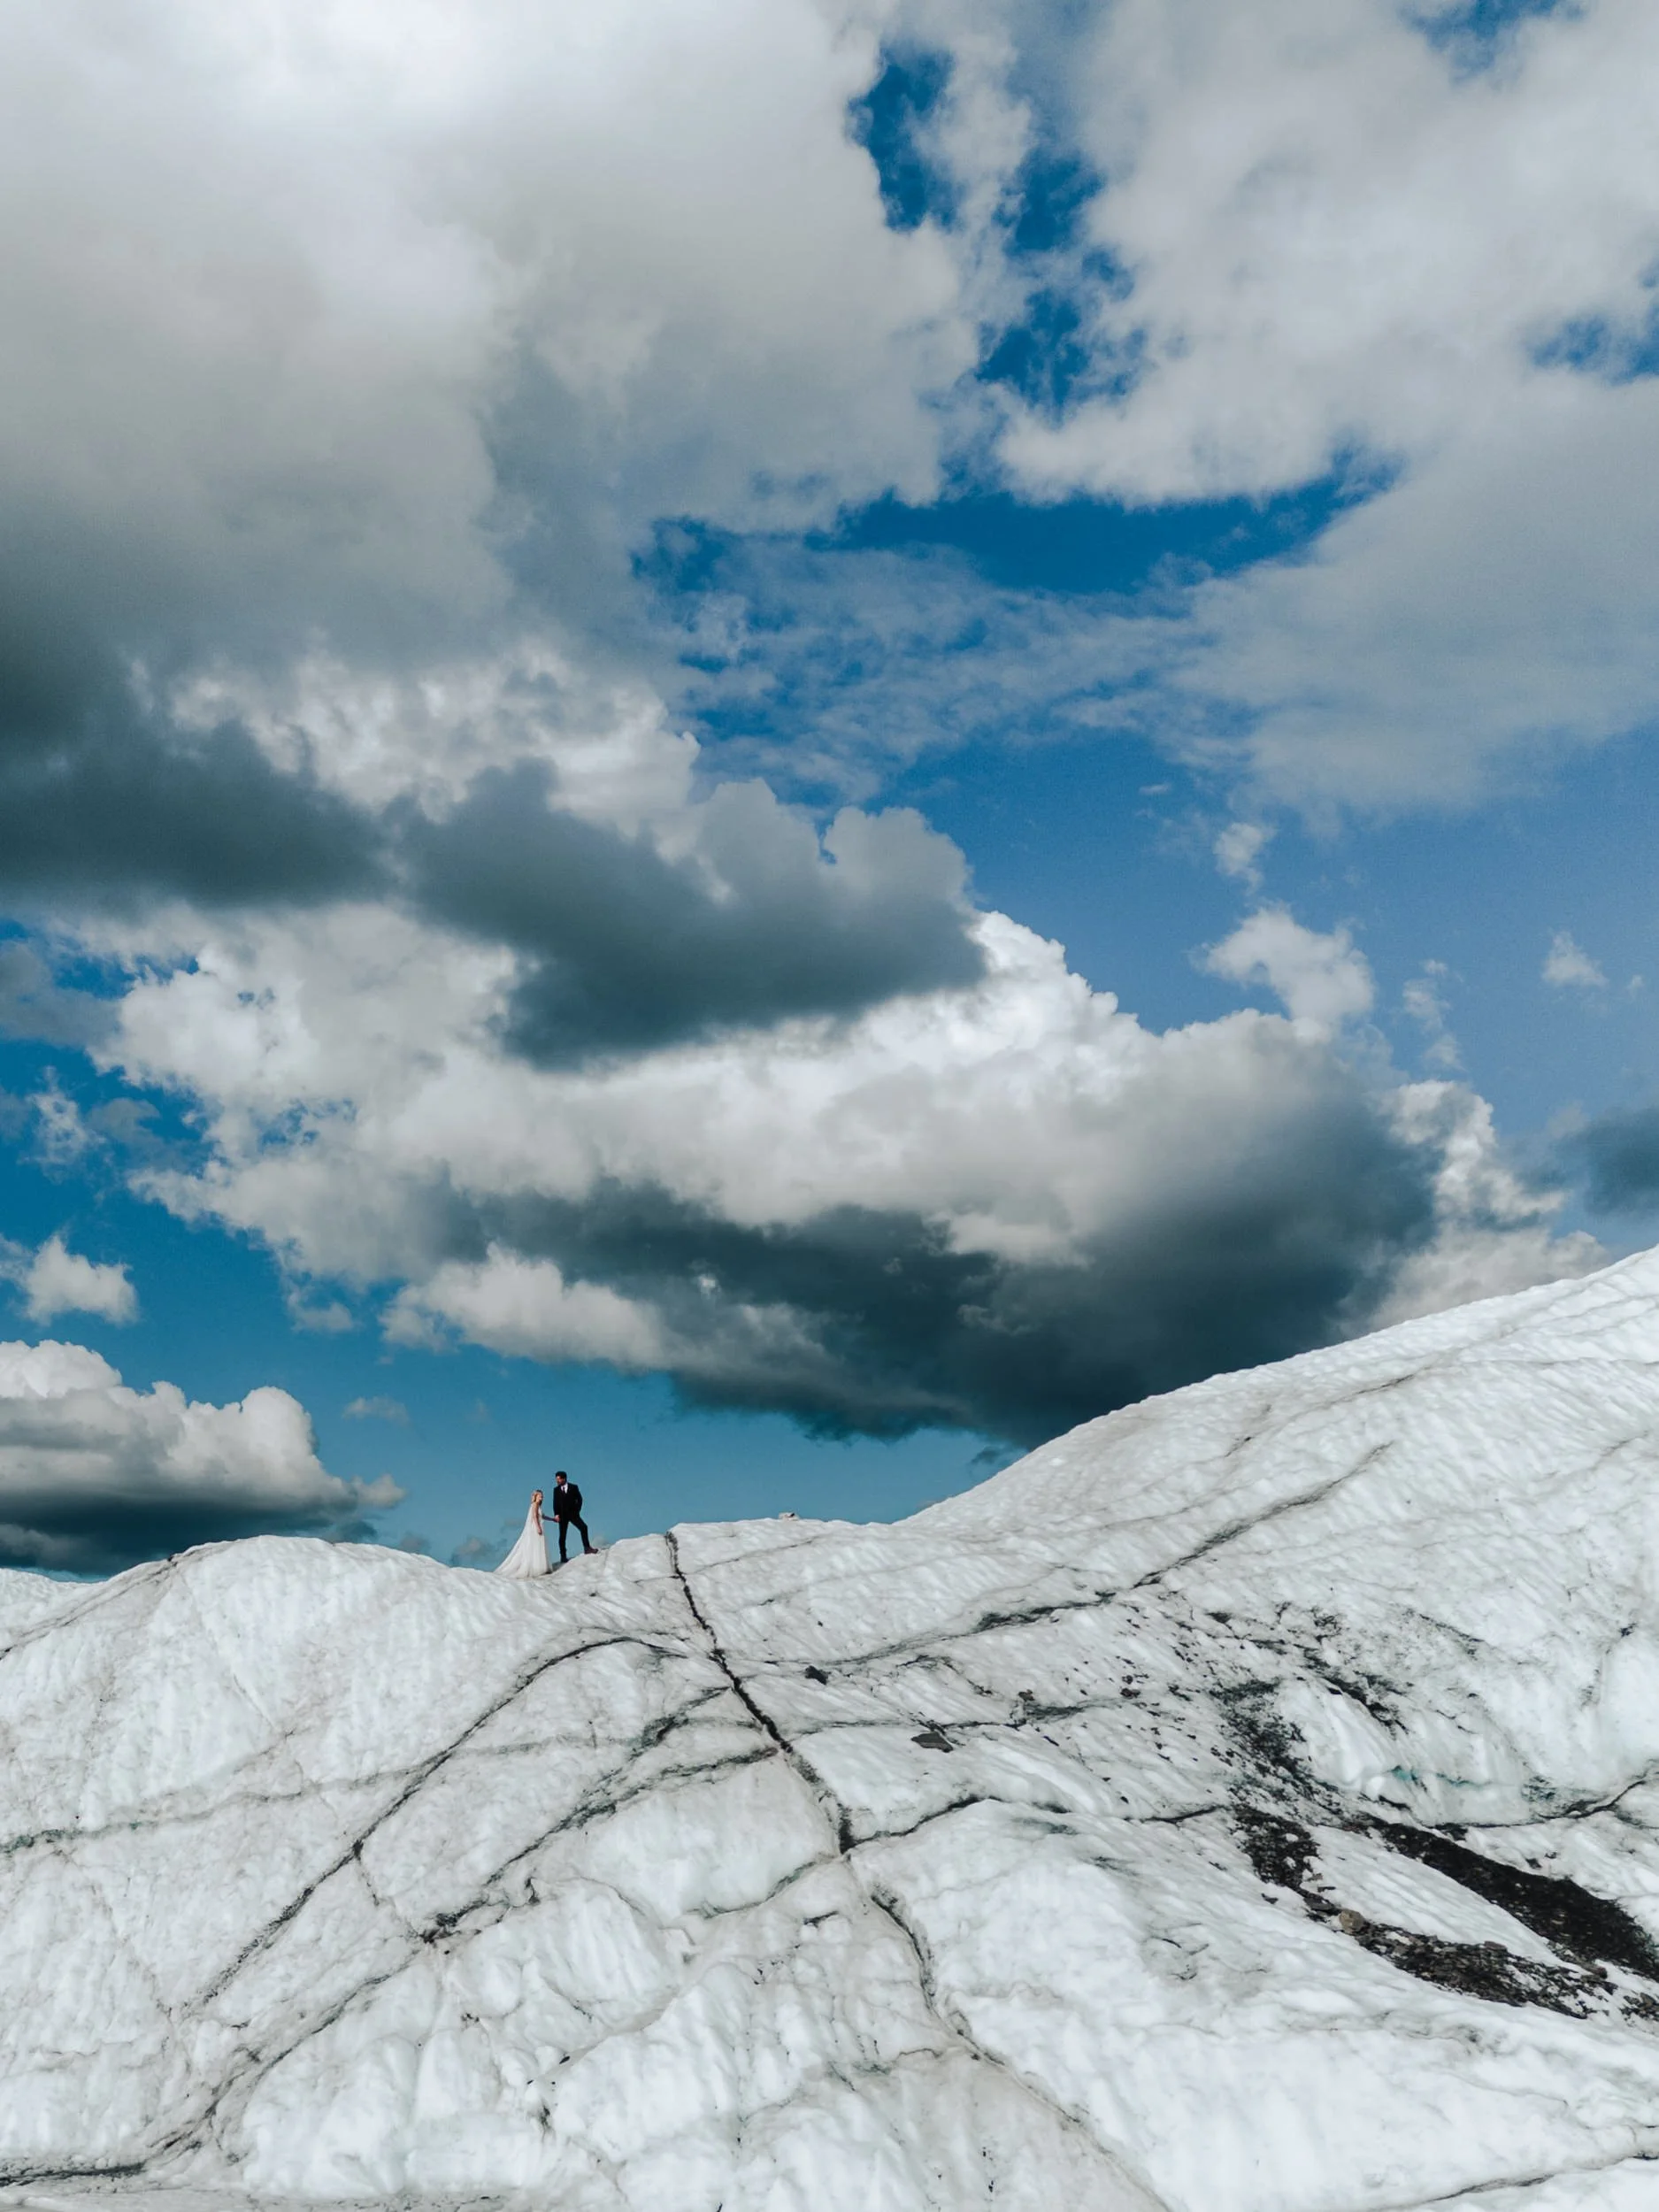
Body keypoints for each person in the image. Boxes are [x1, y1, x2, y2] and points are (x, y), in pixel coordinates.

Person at [495, 1488, 550, 1578]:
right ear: (536, 1497)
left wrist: (552, 1519)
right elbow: (534, 1517)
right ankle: (537, 1567)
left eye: (542, 1496)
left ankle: (539, 1566)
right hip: (536, 1528)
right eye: (540, 1496)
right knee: (535, 1546)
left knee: (538, 1547)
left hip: (539, 1526)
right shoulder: (535, 1505)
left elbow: (542, 1516)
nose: (542, 1498)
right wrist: (538, 1527)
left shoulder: (538, 1506)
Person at [552, 1470, 595, 1562]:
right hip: (562, 1516)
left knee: (584, 1527)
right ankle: (563, 1556)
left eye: (559, 1479)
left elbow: (580, 1499)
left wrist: (577, 1510)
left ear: (564, 1478)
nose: (557, 1481)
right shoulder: (556, 1490)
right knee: (562, 1536)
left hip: (573, 1514)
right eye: (556, 1479)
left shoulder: (574, 1487)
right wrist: (556, 1515)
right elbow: (555, 1503)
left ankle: (587, 1548)